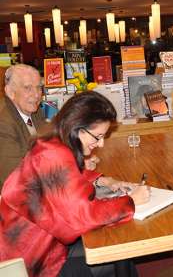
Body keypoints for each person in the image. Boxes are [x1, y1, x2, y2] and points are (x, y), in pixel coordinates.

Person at [0, 91, 150, 277]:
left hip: (45, 242)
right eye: (98, 136)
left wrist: (102, 180)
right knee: (117, 256)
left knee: (119, 249)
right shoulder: (53, 154)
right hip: (33, 259)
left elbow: (62, 179)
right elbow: (80, 219)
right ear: (77, 127)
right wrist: (130, 201)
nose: (101, 144)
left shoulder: (54, 143)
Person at [0, 64, 45, 189]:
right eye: (28, 88)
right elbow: (14, 179)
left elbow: (50, 142)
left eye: (39, 88)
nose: (36, 95)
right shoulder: (3, 123)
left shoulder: (33, 109)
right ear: (10, 92)